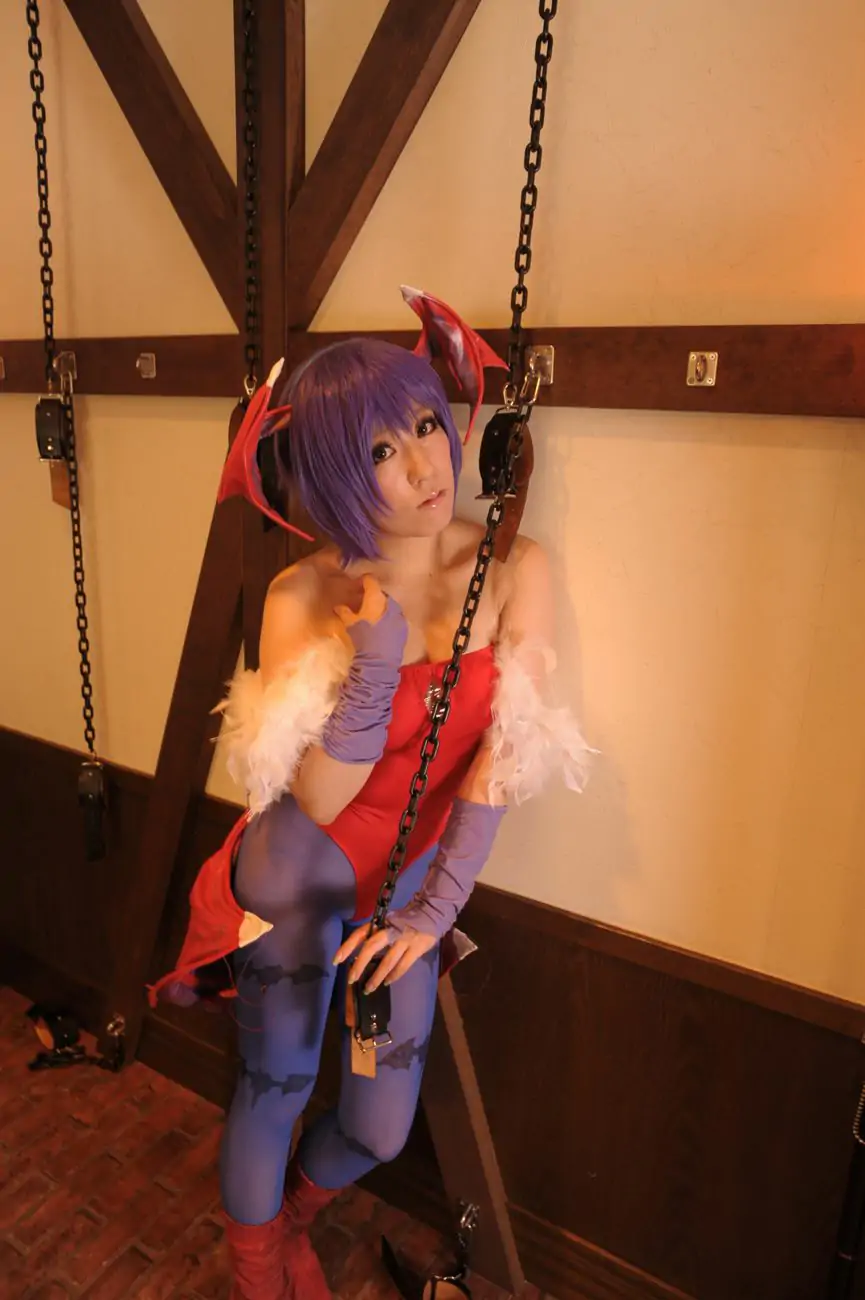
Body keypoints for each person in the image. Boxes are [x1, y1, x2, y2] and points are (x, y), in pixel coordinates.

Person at [148, 289, 590, 1300]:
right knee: (275, 1086)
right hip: (299, 874)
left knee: (380, 1124)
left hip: (410, 885)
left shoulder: (513, 567)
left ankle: (293, 1215)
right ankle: (260, 1272)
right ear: (334, 474)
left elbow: (510, 745)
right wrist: (375, 662)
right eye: (383, 450)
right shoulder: (302, 594)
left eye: (427, 425)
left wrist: (437, 908)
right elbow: (310, 795)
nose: (426, 466)